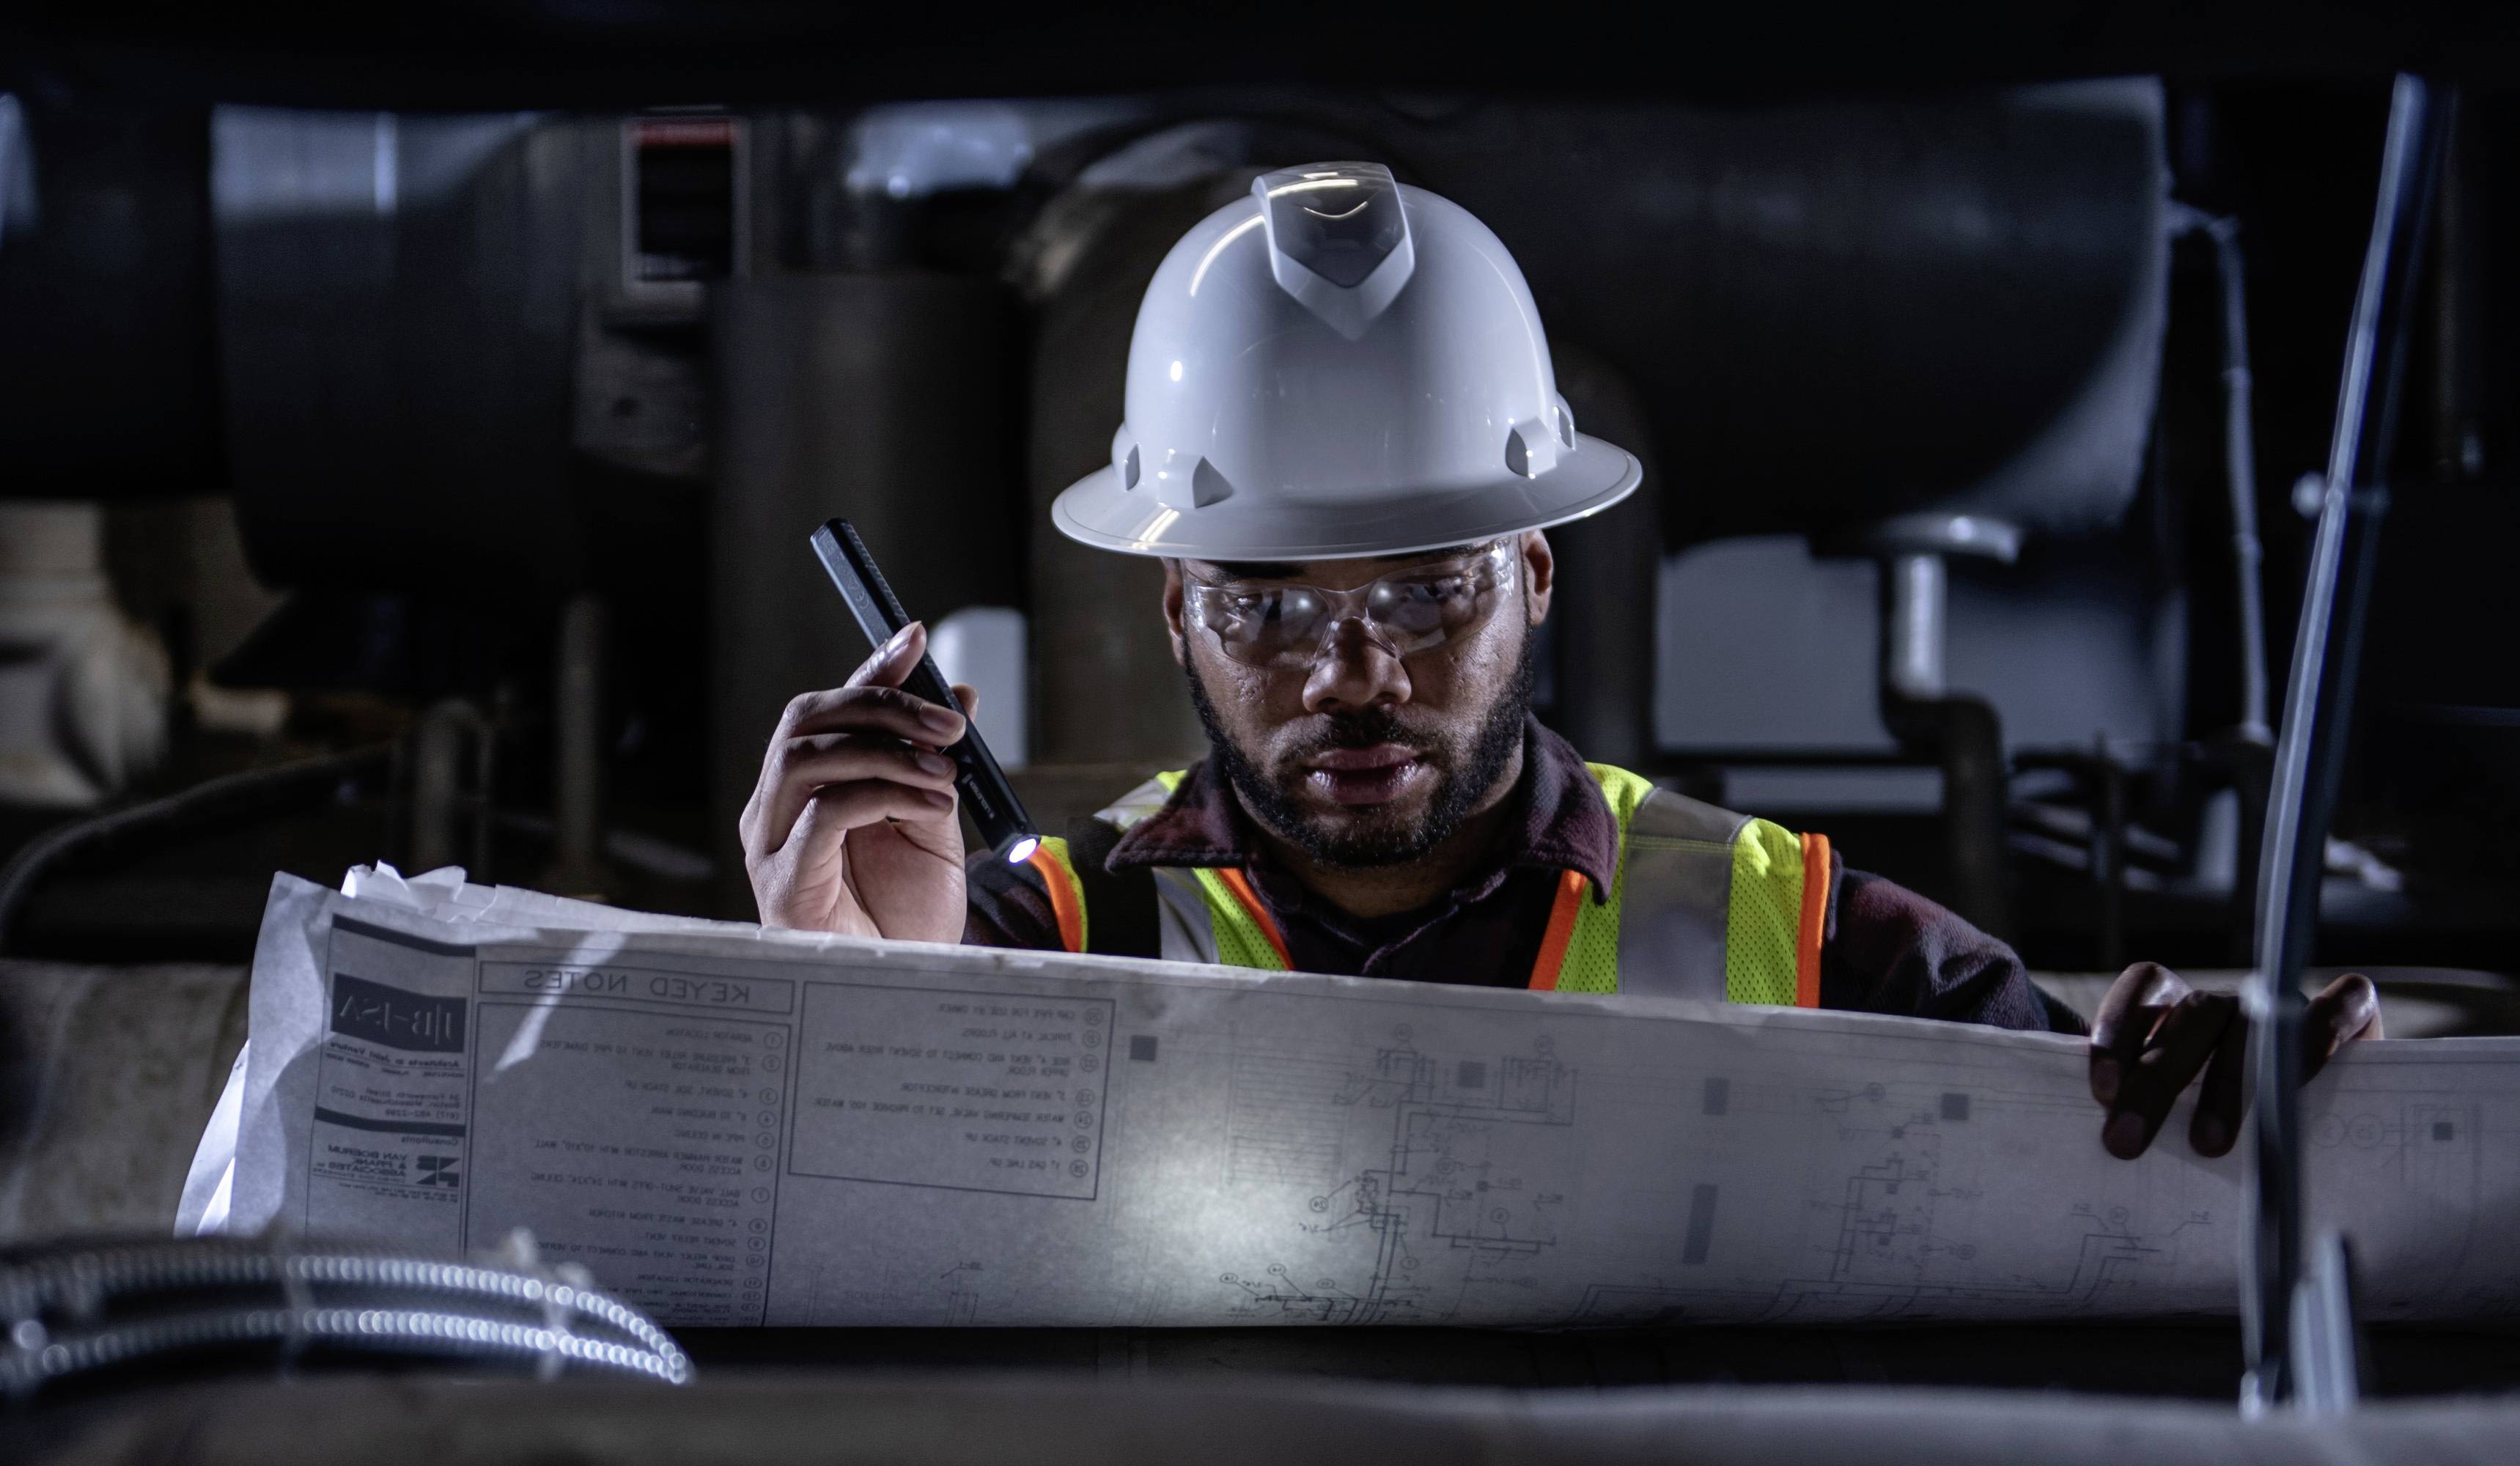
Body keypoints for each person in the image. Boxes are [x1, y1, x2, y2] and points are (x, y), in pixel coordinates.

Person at [741, 162, 2379, 1163]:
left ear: (1534, 579)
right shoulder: (1015, 937)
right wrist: (841, 1004)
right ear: (1176, 614)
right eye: (1269, 606)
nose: (1351, 675)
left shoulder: (1805, 936)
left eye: (1428, 593)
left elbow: (2113, 1140)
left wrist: (2224, 1096)